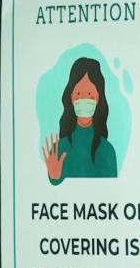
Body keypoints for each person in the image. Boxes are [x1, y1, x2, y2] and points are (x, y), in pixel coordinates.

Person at [42, 57, 117, 185]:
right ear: (71, 97)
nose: (83, 99)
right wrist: (54, 178)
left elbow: (112, 191)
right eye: (78, 94)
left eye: (89, 94)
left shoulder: (107, 151)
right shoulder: (58, 150)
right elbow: (53, 190)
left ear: (98, 97)